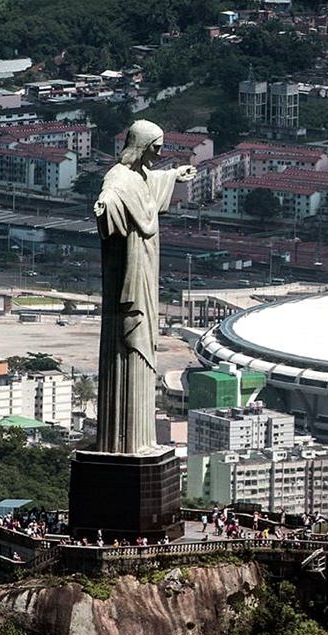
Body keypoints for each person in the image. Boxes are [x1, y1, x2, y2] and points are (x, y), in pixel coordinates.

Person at [93, 120, 197, 454]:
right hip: (131, 269)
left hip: (147, 264)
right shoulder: (118, 177)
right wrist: (105, 206)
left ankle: (142, 441)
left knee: (146, 343)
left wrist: (174, 175)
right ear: (141, 145)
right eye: (156, 147)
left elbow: (149, 181)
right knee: (129, 344)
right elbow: (111, 194)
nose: (160, 153)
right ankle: (124, 443)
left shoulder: (139, 175)